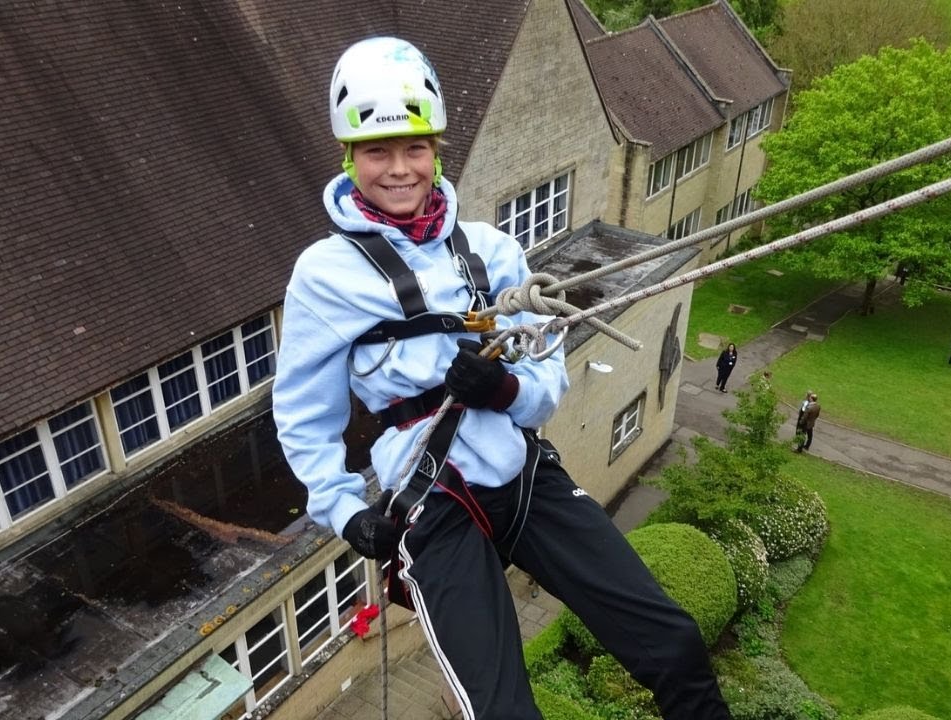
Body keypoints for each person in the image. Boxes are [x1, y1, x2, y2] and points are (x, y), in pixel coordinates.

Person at [272, 38, 730, 720]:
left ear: (436, 152)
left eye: (415, 148)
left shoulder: (490, 251)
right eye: (377, 151)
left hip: (521, 474)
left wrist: (505, 390)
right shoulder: (324, 276)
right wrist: (344, 510)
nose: (398, 168)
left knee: (674, 643)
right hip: (431, 502)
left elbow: (546, 376)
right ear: (349, 158)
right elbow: (302, 415)